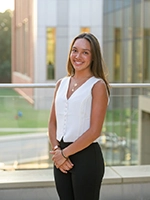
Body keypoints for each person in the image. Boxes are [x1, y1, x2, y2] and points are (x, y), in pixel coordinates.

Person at [48, 32, 110, 200]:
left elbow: (94, 131)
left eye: (85, 52)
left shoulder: (97, 86)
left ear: (93, 57)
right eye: (75, 50)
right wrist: (57, 152)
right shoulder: (61, 83)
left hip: (86, 158)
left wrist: (64, 154)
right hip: (60, 156)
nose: (78, 56)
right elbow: (52, 123)